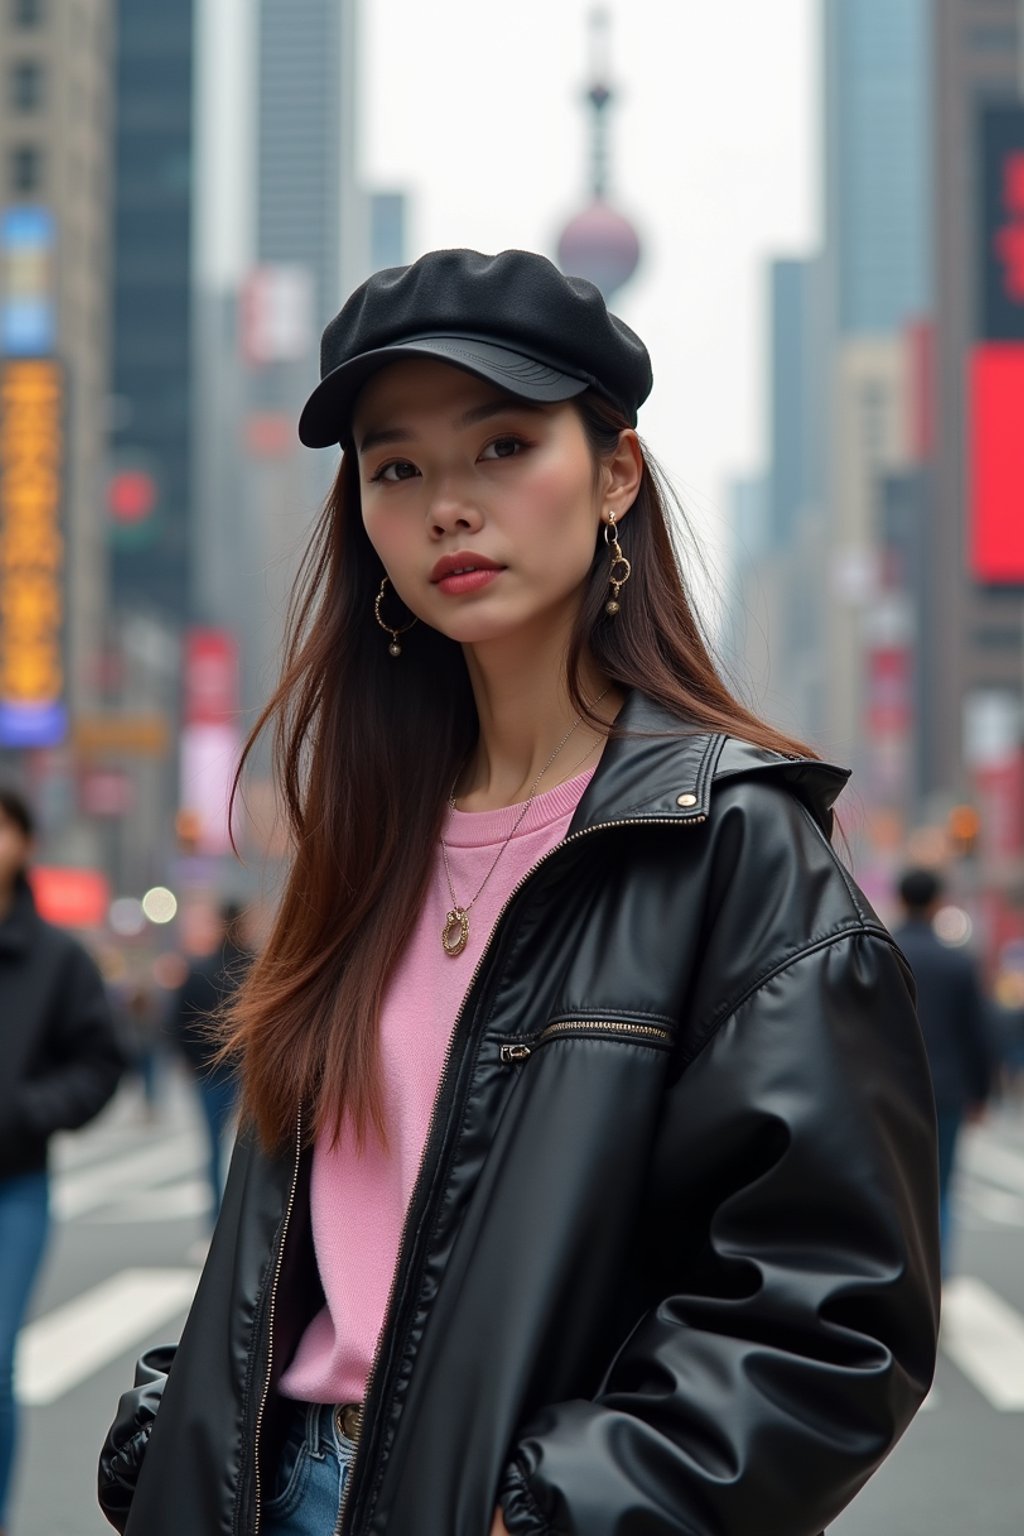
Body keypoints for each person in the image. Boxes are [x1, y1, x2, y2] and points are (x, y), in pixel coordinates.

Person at [99, 248, 940, 1536]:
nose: (448, 504)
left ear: (614, 472)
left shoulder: (735, 850)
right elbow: (307, 1234)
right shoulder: (368, 837)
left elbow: (828, 1315)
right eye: (398, 468)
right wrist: (177, 1427)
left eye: (502, 447)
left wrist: (554, 1513)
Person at [0, 786, 123, 1535]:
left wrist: (28, 1113)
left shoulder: (57, 959)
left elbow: (100, 1061)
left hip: (13, 1184)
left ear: (23, 844)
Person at [892, 866, 995, 1276]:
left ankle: (897, 1272)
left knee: (893, 1185)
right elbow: (978, 1034)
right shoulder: (959, 964)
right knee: (941, 1188)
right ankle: (935, 1276)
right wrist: (981, 1094)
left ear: (901, 900)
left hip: (890, 1090)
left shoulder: (881, 949)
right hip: (947, 1091)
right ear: (936, 903)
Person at [171, 901, 251, 1218]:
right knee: (255, 1153)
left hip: (210, 1072)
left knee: (213, 1148)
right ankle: (244, 1222)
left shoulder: (199, 968)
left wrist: (192, 1062)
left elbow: (179, 1022)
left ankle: (217, 1222)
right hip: (249, 1074)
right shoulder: (258, 968)